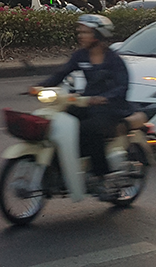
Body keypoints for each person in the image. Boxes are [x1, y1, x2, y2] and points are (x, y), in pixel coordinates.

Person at [31, 13, 129, 195]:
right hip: (88, 104)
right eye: (80, 32)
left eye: (86, 32)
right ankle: (62, 170)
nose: (81, 36)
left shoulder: (114, 60)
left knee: (88, 130)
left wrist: (104, 98)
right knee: (60, 121)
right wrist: (40, 86)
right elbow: (61, 73)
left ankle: (101, 176)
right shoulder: (81, 55)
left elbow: (122, 86)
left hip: (111, 109)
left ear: (99, 35)